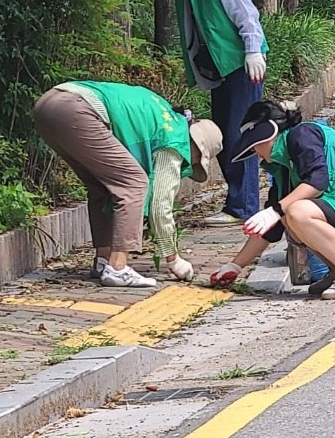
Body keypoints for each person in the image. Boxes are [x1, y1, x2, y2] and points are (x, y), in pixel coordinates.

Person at [142, 0, 267, 226]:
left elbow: (244, 9)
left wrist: (253, 48)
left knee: (243, 132)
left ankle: (244, 206)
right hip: (217, 66)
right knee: (225, 131)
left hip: (239, 62)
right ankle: (238, 202)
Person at [34, 80, 222, 289]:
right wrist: (174, 260)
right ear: (196, 146)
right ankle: (117, 268)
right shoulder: (176, 140)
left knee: (102, 186)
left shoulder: (163, 115)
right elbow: (160, 208)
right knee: (135, 183)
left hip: (50, 104)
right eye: (196, 160)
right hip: (79, 109)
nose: (191, 164)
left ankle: (103, 261)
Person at [209, 101, 335, 299]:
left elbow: (318, 181)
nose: (256, 153)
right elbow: (271, 229)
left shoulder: (303, 134)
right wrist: (235, 266)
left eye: (254, 144)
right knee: (287, 215)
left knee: (296, 212)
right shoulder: (284, 168)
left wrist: (276, 210)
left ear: (267, 134)